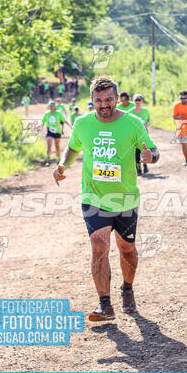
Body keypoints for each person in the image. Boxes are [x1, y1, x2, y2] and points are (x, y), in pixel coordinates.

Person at [53, 76, 160, 322]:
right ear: (91, 100)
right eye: (99, 100)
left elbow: (154, 151)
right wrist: (62, 165)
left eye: (109, 99)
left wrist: (149, 157)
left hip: (125, 199)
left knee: (127, 249)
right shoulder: (82, 123)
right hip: (93, 197)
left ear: (116, 99)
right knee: (99, 247)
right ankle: (105, 304)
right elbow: (73, 147)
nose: (104, 104)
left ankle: (127, 289)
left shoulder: (132, 123)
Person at [42, 100, 70, 166]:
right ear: (49, 107)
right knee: (49, 145)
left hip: (57, 131)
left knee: (57, 146)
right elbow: (43, 122)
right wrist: (39, 128)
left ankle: (58, 161)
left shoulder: (59, 113)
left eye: (53, 106)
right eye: (50, 106)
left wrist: (70, 126)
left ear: (55, 107)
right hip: (49, 132)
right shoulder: (46, 114)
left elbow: (64, 120)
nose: (52, 107)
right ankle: (48, 161)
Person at [129, 94, 151, 175]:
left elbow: (149, 120)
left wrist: (146, 125)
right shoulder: (130, 111)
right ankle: (138, 169)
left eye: (139, 100)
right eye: (136, 100)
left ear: (142, 101)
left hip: (144, 134)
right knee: (136, 152)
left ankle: (145, 165)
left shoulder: (145, 111)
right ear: (133, 101)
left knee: (144, 149)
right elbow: (127, 123)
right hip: (134, 135)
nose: (137, 102)